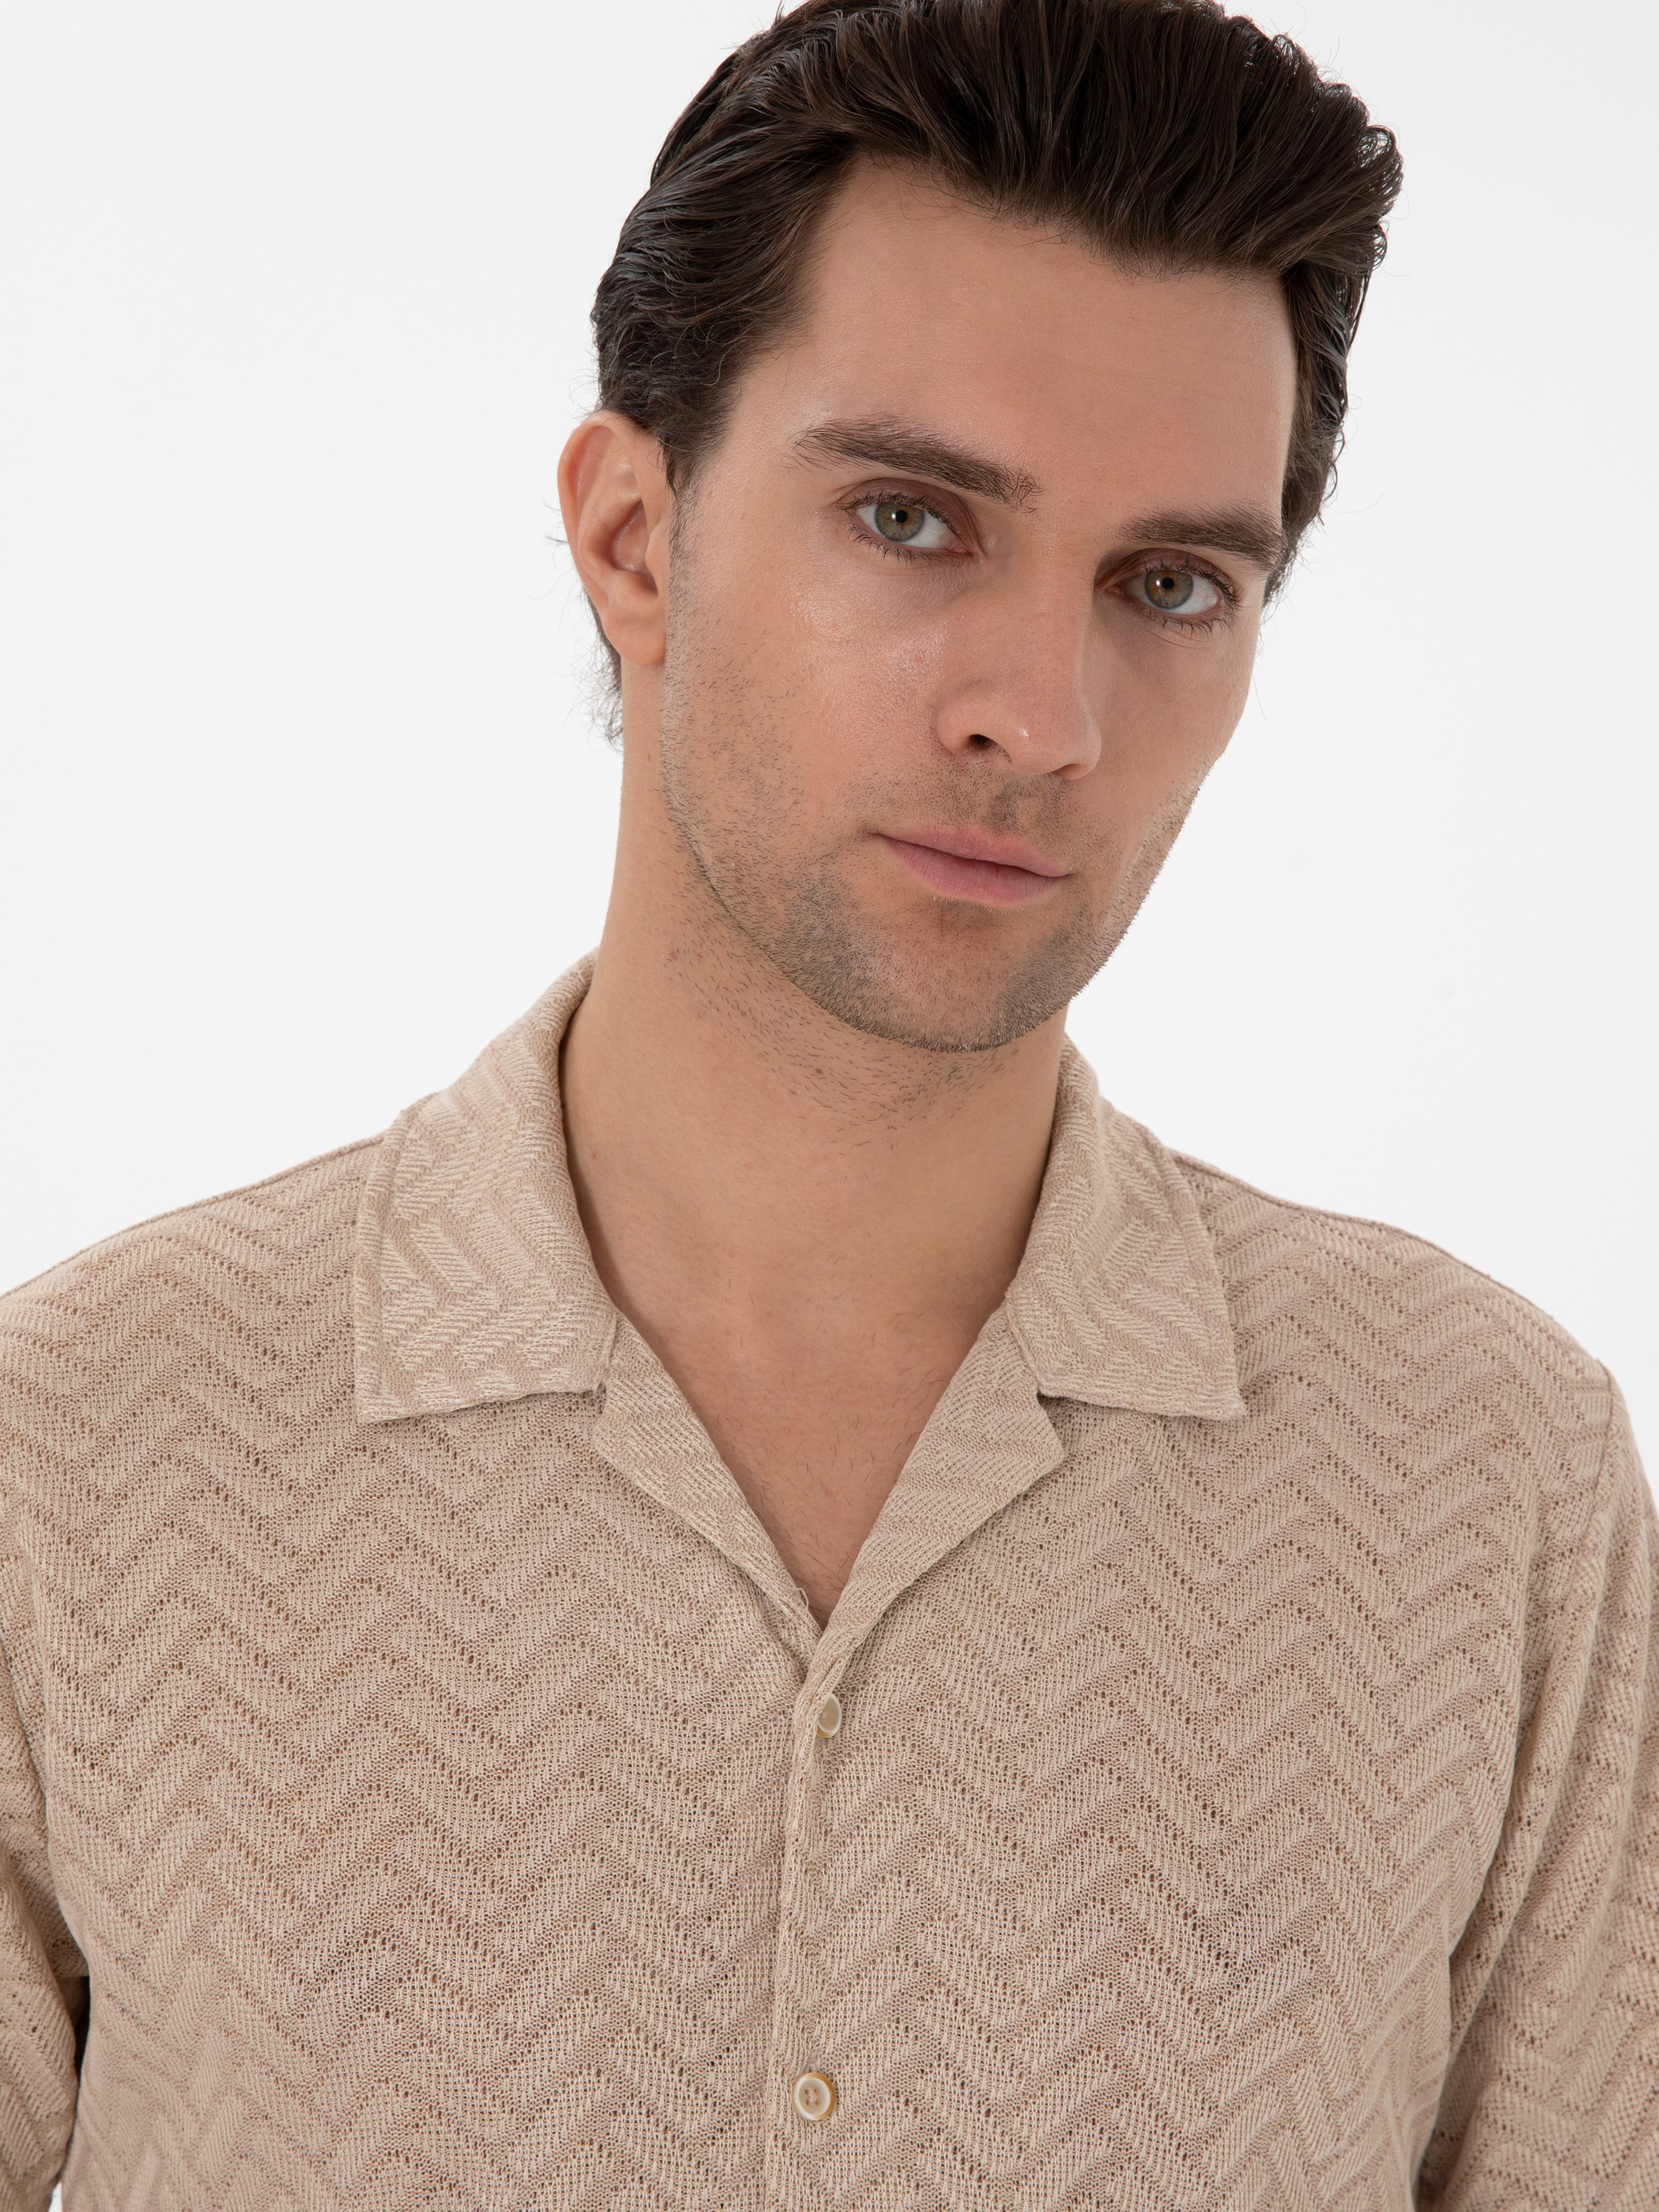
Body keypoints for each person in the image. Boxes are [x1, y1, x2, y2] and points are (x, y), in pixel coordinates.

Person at [1, 0, 1653, 2204]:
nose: (1042, 715)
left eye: (1170, 583)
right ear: (632, 539)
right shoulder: (81, 1454)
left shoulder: (1480, 1485)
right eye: (910, 517)